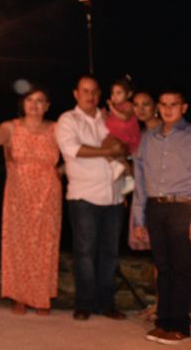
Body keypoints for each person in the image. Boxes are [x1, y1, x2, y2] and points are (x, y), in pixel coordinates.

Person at [0, 86, 61, 315]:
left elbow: (73, 150)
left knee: (45, 244)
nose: (35, 105)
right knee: (19, 244)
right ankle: (20, 297)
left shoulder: (57, 129)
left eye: (40, 101)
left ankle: (42, 298)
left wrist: (63, 170)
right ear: (23, 104)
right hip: (19, 194)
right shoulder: (11, 127)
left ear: (47, 106)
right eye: (30, 100)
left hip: (48, 194)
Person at [55, 74, 129, 321]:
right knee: (85, 252)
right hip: (84, 196)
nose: (90, 95)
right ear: (76, 94)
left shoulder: (109, 118)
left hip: (115, 196)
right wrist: (110, 150)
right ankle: (84, 303)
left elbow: (126, 144)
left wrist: (120, 148)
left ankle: (105, 303)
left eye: (95, 91)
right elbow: (73, 150)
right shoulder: (68, 119)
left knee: (109, 253)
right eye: (85, 91)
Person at [132, 88, 190, 346]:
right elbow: (140, 182)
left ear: (184, 107)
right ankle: (163, 321)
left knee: (182, 268)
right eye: (164, 104)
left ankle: (180, 324)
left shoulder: (189, 137)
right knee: (163, 268)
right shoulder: (148, 138)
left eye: (173, 104)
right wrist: (138, 220)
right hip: (155, 207)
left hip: (182, 208)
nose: (168, 109)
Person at [127, 90, 161, 252]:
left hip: (167, 200)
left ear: (155, 106)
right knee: (158, 254)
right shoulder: (139, 136)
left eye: (145, 104)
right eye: (136, 105)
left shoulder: (167, 131)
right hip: (144, 198)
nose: (140, 109)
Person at [104, 77, 140, 192]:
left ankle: (117, 166)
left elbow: (124, 117)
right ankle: (129, 180)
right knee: (121, 159)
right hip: (116, 139)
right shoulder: (116, 108)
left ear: (129, 94)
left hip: (125, 138)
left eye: (119, 93)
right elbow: (110, 121)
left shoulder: (128, 105)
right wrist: (105, 115)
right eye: (113, 93)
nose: (114, 96)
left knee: (102, 146)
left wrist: (112, 108)